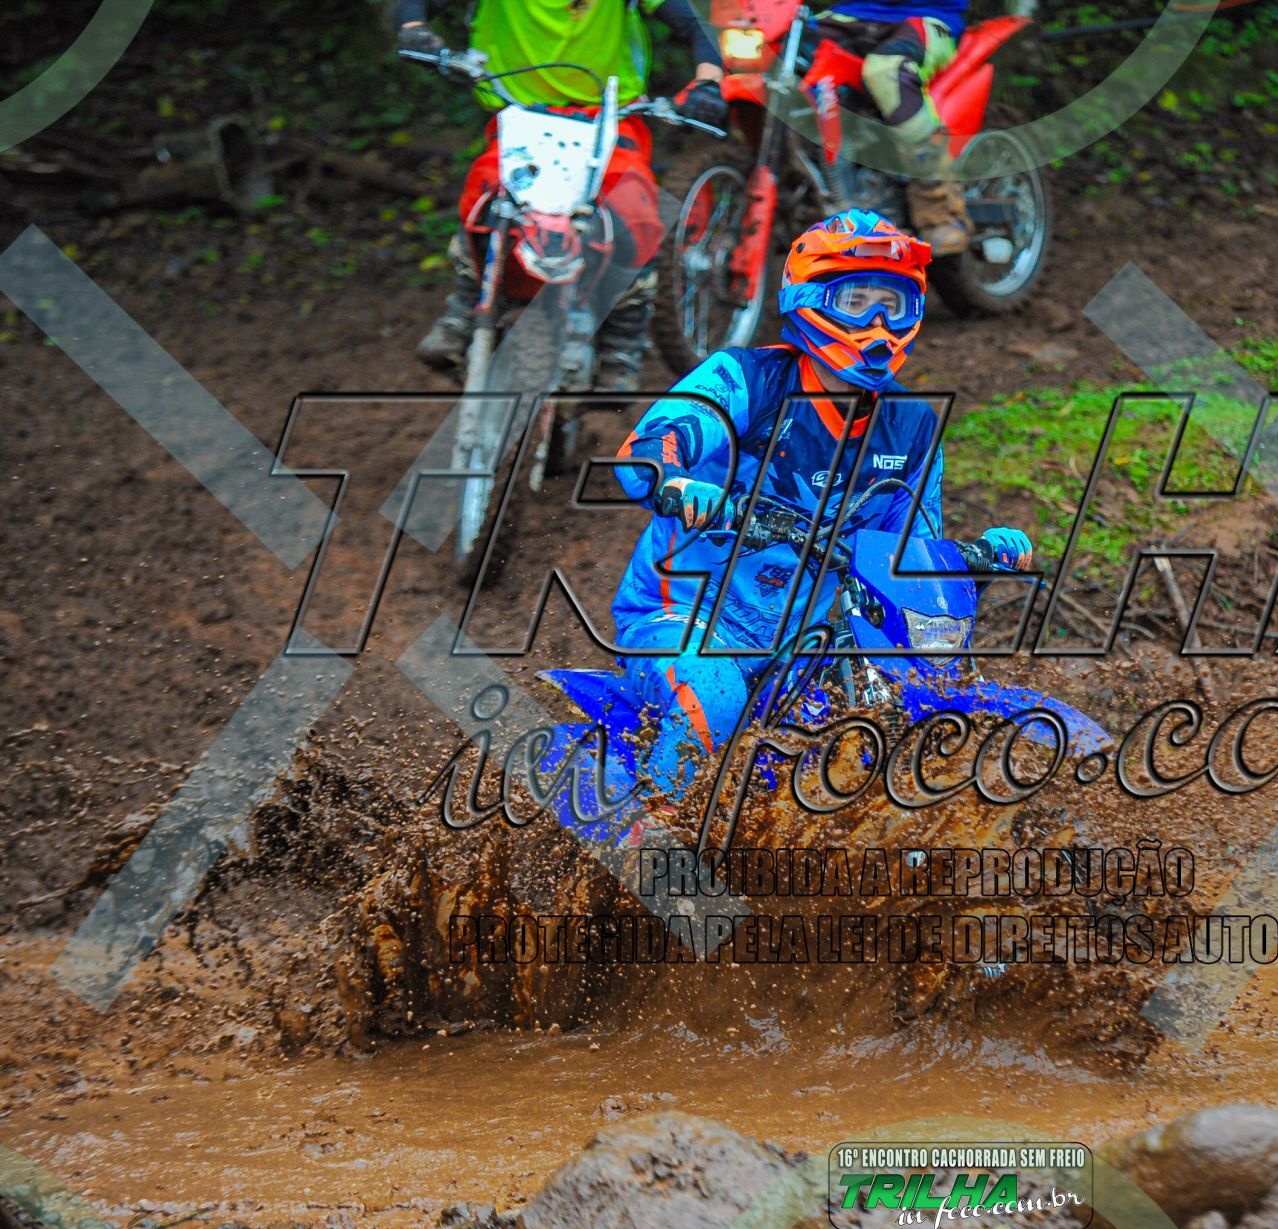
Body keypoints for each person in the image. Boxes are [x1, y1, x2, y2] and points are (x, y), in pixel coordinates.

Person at [607, 209, 1031, 801]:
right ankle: (653, 837)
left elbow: (908, 560)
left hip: (803, 643)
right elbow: (647, 450)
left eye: (895, 305)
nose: (879, 325)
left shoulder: (912, 426)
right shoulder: (747, 379)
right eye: (856, 302)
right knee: (714, 694)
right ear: (808, 299)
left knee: (898, 718)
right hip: (683, 615)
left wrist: (969, 562)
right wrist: (677, 484)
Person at [394, 0, 731, 389]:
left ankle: (622, 342)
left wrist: (708, 81)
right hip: (519, 114)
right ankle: (465, 307)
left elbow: (695, 21)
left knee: (634, 208)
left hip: (612, 117)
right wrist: (414, 29)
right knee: (483, 193)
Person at [813, 0, 973, 256]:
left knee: (888, 71)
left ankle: (938, 205)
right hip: (852, 13)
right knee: (778, 54)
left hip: (925, 15)